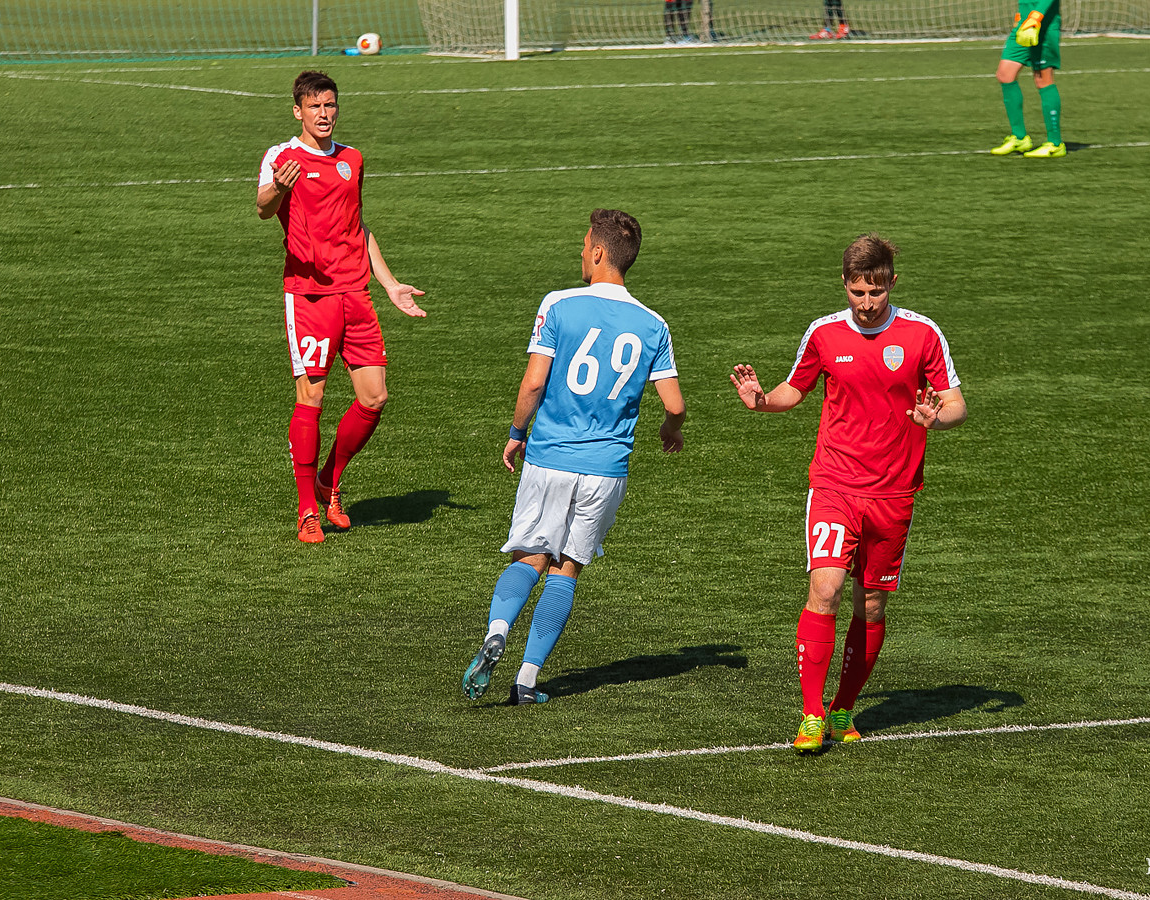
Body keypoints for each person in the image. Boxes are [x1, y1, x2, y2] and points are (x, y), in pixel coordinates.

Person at [729, 234, 966, 752]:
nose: (866, 302)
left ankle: (842, 707)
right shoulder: (824, 333)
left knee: (872, 604)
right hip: (835, 484)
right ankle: (812, 715)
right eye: (858, 291)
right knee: (826, 589)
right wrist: (762, 400)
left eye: (876, 291)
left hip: (895, 493)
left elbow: (956, 404)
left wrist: (936, 418)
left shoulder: (923, 334)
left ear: (892, 283)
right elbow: (795, 390)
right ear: (844, 284)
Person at [462, 209, 687, 705]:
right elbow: (674, 405)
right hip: (606, 471)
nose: (580, 252)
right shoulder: (654, 324)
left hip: (550, 458)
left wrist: (516, 433)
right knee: (566, 569)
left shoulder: (558, 303)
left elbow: (534, 383)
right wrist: (669, 431)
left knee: (530, 556)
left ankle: (497, 631)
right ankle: (526, 681)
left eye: (584, 245)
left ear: (600, 253)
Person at [256, 70, 426, 543]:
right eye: (314, 106)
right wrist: (278, 187)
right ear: (298, 111)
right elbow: (263, 208)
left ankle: (328, 479)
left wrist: (389, 284)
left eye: (329, 105)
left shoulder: (352, 159)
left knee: (375, 397)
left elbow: (359, 226)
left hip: (356, 293)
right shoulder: (282, 157)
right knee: (310, 399)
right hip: (310, 296)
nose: (323, 114)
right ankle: (307, 509)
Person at [991, 0, 1065, 158]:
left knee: (1043, 80)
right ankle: (1019, 138)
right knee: (1005, 75)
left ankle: (1055, 144)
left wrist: (1036, 17)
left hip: (1043, 25)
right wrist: (1021, 15)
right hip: (1024, 24)